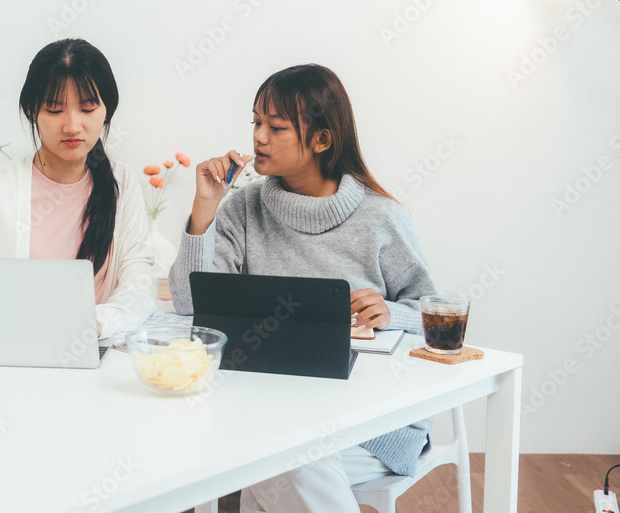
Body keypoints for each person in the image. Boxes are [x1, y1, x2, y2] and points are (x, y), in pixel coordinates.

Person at [168, 63, 438, 512]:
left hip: (371, 421)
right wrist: (205, 207)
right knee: (273, 455)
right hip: (270, 407)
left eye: (276, 127)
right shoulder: (243, 209)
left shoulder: (380, 216)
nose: (258, 137)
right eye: (256, 122)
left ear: (321, 139)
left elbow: (433, 311)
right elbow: (188, 303)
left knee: (276, 458)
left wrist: (393, 312)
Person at [0, 38, 156, 338]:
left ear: (107, 110)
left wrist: (98, 324)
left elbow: (138, 282)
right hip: (2, 356)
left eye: (88, 107)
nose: (72, 125)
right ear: (32, 111)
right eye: (54, 110)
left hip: (89, 353)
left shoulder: (122, 183)